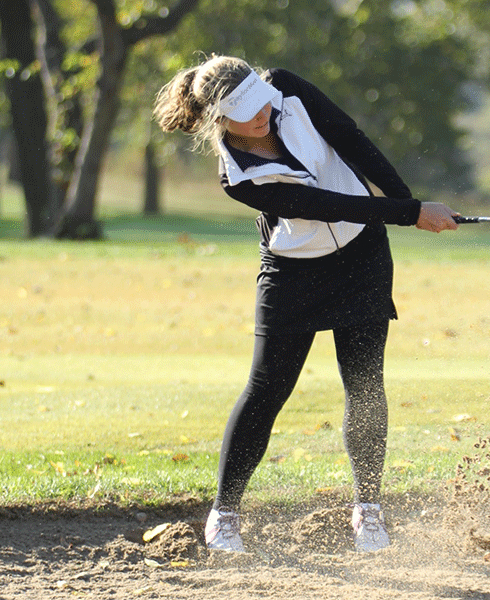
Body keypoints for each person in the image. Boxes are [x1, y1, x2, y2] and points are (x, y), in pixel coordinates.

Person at [153, 55, 459, 553]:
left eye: (262, 104)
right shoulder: (239, 177)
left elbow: (352, 139)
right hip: (293, 270)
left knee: (364, 382)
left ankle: (368, 509)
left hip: (362, 255)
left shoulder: (286, 90)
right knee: (267, 389)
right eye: (246, 113)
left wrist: (412, 203)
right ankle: (224, 514)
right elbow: (322, 205)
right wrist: (408, 214)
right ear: (218, 120)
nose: (262, 116)